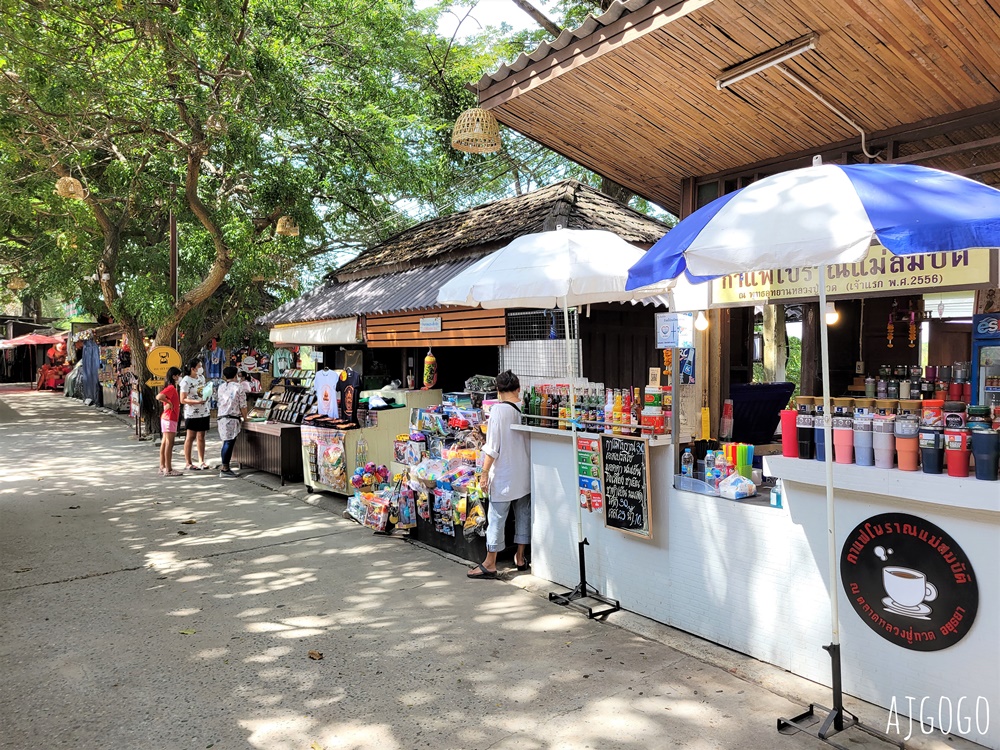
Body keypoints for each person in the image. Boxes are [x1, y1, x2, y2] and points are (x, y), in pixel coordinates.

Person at [468, 370, 531, 579]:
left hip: (504, 473)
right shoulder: (526, 409)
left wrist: (484, 473)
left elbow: (492, 447)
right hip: (525, 473)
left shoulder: (497, 411)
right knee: (523, 514)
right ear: (518, 389)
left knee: (496, 517)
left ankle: (490, 562)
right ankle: (520, 558)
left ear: (498, 390)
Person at [216, 366, 248, 478]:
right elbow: (243, 405)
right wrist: (246, 418)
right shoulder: (239, 387)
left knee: (226, 442)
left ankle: (225, 465)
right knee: (228, 443)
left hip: (221, 417)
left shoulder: (221, 387)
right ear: (236, 375)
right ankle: (225, 468)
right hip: (232, 417)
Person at [180, 357, 210, 471]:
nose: (201, 368)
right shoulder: (186, 381)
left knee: (201, 436)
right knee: (190, 436)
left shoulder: (201, 378)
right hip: (192, 412)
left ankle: (201, 460)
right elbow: (182, 399)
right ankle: (188, 462)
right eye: (199, 366)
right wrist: (196, 402)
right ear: (193, 368)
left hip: (204, 411)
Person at [156, 367, 183, 476]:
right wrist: (169, 402)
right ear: (174, 376)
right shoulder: (171, 387)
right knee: (169, 443)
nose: (179, 377)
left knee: (164, 442)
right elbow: (159, 396)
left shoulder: (169, 387)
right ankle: (169, 469)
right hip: (170, 417)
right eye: (178, 375)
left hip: (166, 417)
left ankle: (162, 466)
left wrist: (168, 402)